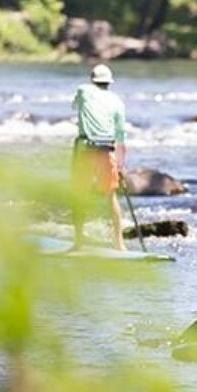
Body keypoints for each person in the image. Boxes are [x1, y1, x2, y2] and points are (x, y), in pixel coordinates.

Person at [71, 62, 127, 251]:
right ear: (109, 83)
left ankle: (78, 243)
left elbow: (75, 106)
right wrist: (121, 165)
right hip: (108, 151)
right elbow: (121, 137)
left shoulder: (83, 91)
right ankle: (120, 245)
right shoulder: (118, 101)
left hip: (86, 149)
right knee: (111, 198)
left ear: (92, 80)